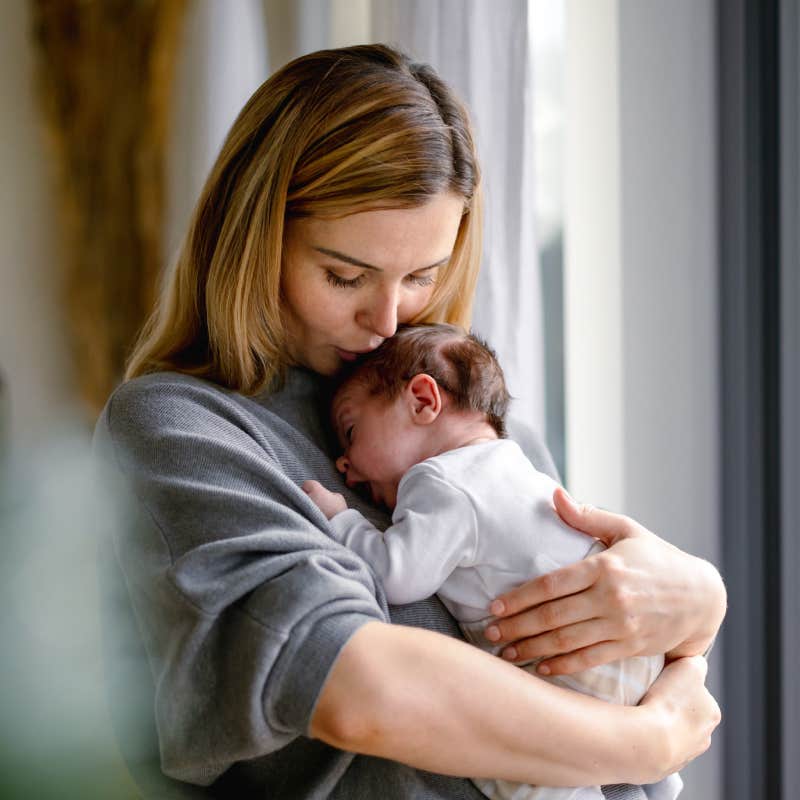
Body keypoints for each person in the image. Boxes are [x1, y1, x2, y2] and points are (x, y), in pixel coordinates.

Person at [93, 44, 724, 799]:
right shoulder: (181, 428)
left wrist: (694, 608)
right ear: (255, 236)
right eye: (345, 275)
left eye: (422, 276)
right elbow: (354, 683)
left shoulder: (481, 430)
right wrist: (645, 742)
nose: (386, 320)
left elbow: (600, 660)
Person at [302, 323, 683, 800]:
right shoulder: (514, 463)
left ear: (423, 401)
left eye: (351, 431)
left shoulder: (441, 481)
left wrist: (343, 519)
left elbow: (394, 575)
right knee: (638, 761)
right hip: (624, 651)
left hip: (565, 666)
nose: (343, 464)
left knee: (515, 764)